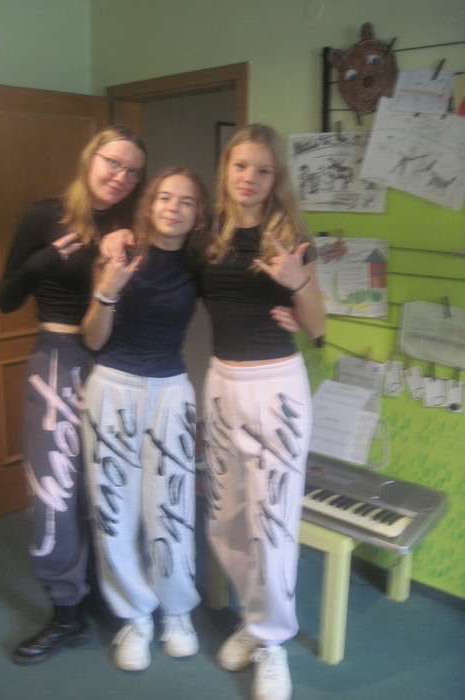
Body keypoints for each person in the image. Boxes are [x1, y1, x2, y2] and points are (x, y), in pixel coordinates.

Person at [0, 124, 147, 665]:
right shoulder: (45, 216)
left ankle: (111, 588)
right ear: (91, 157)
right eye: (113, 162)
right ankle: (66, 610)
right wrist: (41, 264)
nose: (121, 176)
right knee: (55, 491)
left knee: (110, 486)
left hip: (119, 364)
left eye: (133, 171)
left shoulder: (137, 225)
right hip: (59, 360)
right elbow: (5, 298)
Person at [199, 124, 325, 700]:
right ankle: (255, 619)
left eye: (263, 170)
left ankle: (273, 642)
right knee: (225, 518)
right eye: (240, 166)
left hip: (276, 388)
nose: (249, 178)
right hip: (221, 384)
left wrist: (299, 287)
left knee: (270, 522)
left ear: (277, 180)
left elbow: (317, 327)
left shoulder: (291, 238)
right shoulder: (208, 236)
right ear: (226, 170)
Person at [81, 167, 209, 672]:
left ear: (198, 214)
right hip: (112, 386)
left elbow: (239, 298)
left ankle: (176, 612)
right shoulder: (120, 252)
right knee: (114, 510)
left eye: (186, 201)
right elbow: (93, 338)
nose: (174, 208)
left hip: (170, 393)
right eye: (165, 197)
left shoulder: (199, 263)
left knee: (172, 510)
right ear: (149, 204)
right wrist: (107, 289)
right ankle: (135, 616)